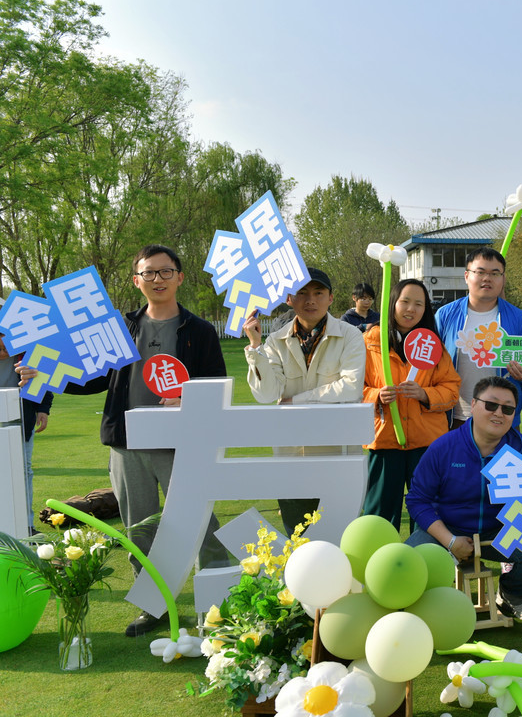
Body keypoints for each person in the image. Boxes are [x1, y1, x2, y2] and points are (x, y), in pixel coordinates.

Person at [18, 244, 230, 637]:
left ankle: (222, 601)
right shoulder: (121, 327)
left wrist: (187, 396)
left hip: (181, 442)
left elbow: (216, 382)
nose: (157, 280)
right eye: (149, 273)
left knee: (201, 520)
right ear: (137, 281)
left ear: (180, 277)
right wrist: (45, 374)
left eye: (165, 272)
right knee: (138, 527)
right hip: (128, 442)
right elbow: (94, 377)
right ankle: (154, 606)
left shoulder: (197, 330)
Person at [404, 376, 522, 621]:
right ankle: (418, 608)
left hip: (500, 531)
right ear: (473, 405)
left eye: (507, 409)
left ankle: (512, 595)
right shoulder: (444, 447)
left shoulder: (519, 448)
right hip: (447, 528)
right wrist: (450, 540)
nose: (499, 414)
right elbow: (417, 500)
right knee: (406, 562)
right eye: (491, 405)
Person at [243, 268, 367, 536]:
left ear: (331, 298)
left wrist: (296, 400)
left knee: (341, 543)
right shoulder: (275, 341)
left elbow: (350, 388)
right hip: (291, 458)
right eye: (302, 293)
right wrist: (255, 348)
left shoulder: (350, 336)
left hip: (338, 456)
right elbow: (266, 394)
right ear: (290, 299)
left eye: (318, 293)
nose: (311, 300)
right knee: (297, 543)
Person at [362, 278, 460, 531]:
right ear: (392, 303)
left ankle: (426, 561)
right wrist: (375, 396)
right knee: (380, 513)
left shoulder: (433, 345)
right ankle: (379, 564)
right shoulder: (370, 343)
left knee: (428, 511)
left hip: (426, 444)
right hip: (384, 440)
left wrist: (425, 394)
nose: (411, 309)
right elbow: (351, 389)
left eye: (419, 303)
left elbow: (451, 389)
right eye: (405, 301)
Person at [434, 247, 522, 430]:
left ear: (503, 279)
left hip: (502, 419)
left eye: (495, 273)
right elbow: (429, 363)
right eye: (480, 272)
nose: (487, 278)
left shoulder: (517, 317)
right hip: (455, 419)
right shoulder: (445, 315)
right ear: (467, 276)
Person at [0, 341, 52, 533]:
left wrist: (43, 409)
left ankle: (26, 525)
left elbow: (44, 377)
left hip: (22, 418)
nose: (4, 353)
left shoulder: (27, 353)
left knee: (23, 471)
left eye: (7, 349)